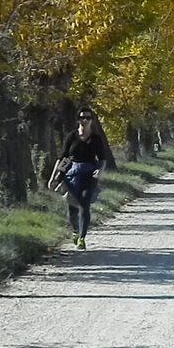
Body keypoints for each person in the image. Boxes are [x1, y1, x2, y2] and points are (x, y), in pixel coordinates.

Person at [58, 107, 106, 250]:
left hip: (89, 174)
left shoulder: (96, 138)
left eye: (88, 118)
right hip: (72, 173)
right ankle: (75, 230)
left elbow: (103, 159)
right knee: (72, 207)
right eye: (82, 117)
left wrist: (99, 171)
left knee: (84, 204)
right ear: (77, 119)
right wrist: (56, 176)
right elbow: (64, 158)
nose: (84, 120)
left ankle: (82, 238)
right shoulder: (71, 137)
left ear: (92, 120)